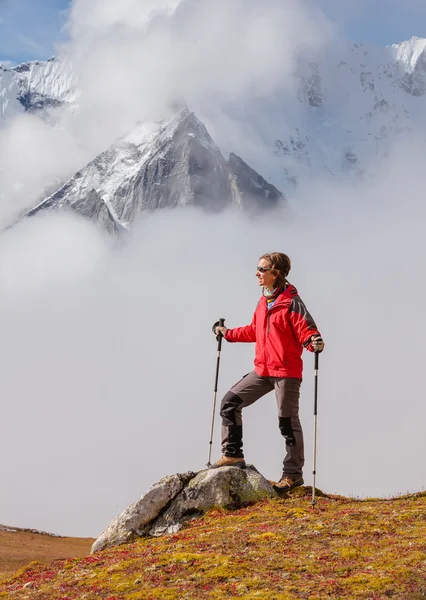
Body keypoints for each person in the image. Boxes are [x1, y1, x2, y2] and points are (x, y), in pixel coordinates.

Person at [211, 252, 324, 492]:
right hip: (262, 370)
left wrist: (313, 340)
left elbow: (306, 329)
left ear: (277, 274)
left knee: (287, 422)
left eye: (262, 269)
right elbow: (255, 330)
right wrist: (227, 333)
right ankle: (232, 455)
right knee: (229, 403)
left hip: (286, 371)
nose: (257, 273)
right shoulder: (264, 301)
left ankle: (292, 475)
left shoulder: (291, 302)